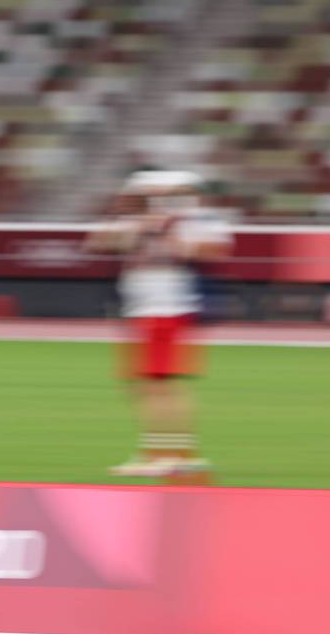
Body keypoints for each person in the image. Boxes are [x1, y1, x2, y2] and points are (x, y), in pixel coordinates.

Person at [86, 170, 231, 480]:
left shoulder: (192, 219)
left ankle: (174, 455)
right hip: (143, 310)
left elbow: (214, 251)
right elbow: (98, 242)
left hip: (165, 309)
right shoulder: (139, 221)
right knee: (145, 385)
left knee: (160, 384)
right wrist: (137, 221)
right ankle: (165, 453)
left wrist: (167, 230)